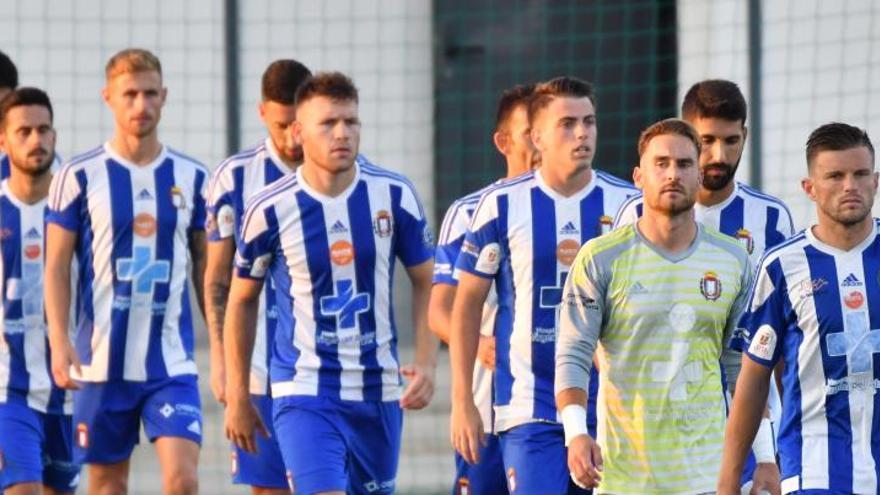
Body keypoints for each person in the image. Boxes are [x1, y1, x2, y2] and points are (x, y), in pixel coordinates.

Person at [224, 72, 438, 495]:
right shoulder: (269, 208)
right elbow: (241, 300)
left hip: (377, 390)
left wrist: (428, 362)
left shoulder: (394, 195)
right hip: (303, 389)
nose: (342, 133)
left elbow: (427, 280)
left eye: (351, 121)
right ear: (300, 132)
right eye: (328, 123)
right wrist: (237, 393)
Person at [449, 76, 636, 494]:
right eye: (567, 123)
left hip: (608, 408)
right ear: (537, 137)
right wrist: (462, 402)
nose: (582, 133)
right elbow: (465, 305)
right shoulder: (499, 205)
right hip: (527, 407)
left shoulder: (627, 205)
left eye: (589, 121)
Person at [556, 118, 754, 493]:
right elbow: (573, 353)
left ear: (699, 176)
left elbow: (742, 368)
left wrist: (763, 456)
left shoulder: (733, 260)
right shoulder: (601, 258)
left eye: (684, 164)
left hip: (705, 475)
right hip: (624, 475)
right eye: (660, 163)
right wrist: (576, 434)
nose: (672, 174)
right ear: (638, 176)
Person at [44, 48, 208, 495]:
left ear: (165, 96)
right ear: (108, 98)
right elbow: (56, 265)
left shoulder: (193, 177)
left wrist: (228, 351)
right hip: (100, 364)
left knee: (183, 480)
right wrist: (59, 340)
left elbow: (207, 273)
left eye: (150, 93)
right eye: (130, 94)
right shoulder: (78, 175)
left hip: (170, 362)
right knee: (107, 486)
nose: (141, 105)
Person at [613, 79, 789, 491]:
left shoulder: (771, 219)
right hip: (656, 424)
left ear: (745, 136)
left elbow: (778, 332)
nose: (719, 155)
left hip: (751, 424)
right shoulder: (634, 215)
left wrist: (776, 444)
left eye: (731, 141)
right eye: (707, 141)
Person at [719, 123, 879, 494]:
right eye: (835, 176)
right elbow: (753, 378)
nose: (849, 185)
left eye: (859, 174)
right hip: (813, 465)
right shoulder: (781, 266)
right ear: (810, 188)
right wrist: (728, 481)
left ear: (876, 181)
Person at [205, 58, 311, 495]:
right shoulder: (234, 178)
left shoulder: (344, 175)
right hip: (258, 371)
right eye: (281, 124)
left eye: (298, 124)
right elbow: (217, 279)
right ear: (262, 111)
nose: (291, 138)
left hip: (325, 370)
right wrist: (223, 363)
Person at [429, 83, 538, 495]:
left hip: (561, 409)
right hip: (489, 405)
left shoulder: (589, 208)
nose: (542, 143)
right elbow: (440, 311)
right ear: (503, 141)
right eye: (530, 132)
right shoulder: (470, 211)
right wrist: (477, 342)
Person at [0, 87, 81, 495]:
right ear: (3, 140)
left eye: (44, 130)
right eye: (24, 131)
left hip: (68, 391)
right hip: (6, 388)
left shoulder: (80, 209)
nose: (36, 140)